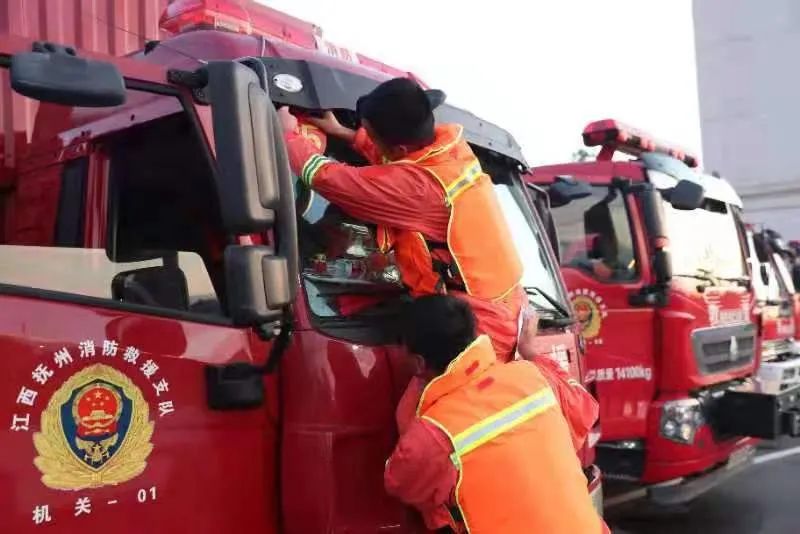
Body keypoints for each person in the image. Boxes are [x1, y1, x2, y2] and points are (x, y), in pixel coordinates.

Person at [278, 77, 525, 361]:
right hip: (502, 308)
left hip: (478, 328)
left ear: (399, 148)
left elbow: (331, 179)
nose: (367, 136)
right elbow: (401, 163)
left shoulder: (419, 190)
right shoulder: (452, 151)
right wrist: (346, 134)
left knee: (444, 402)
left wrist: (287, 136)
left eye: (370, 134)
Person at [385, 295, 608, 534]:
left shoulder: (435, 431)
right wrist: (531, 352)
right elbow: (584, 407)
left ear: (419, 364)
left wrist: (413, 402)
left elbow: (400, 483)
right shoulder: (532, 376)